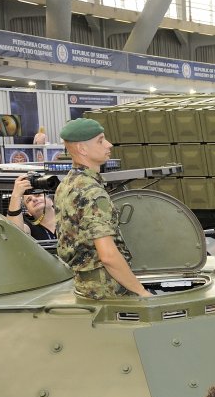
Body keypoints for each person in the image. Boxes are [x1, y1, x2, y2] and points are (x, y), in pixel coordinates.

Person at [54, 118, 149, 299]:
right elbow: (108, 256)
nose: (109, 144)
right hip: (107, 289)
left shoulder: (65, 185)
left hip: (84, 285)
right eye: (100, 140)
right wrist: (141, 291)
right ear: (82, 149)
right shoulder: (92, 192)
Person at [5, 173, 57, 241]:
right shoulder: (29, 227)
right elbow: (14, 235)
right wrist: (16, 195)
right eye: (29, 200)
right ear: (28, 212)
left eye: (38, 195)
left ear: (51, 201)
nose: (34, 199)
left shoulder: (66, 218)